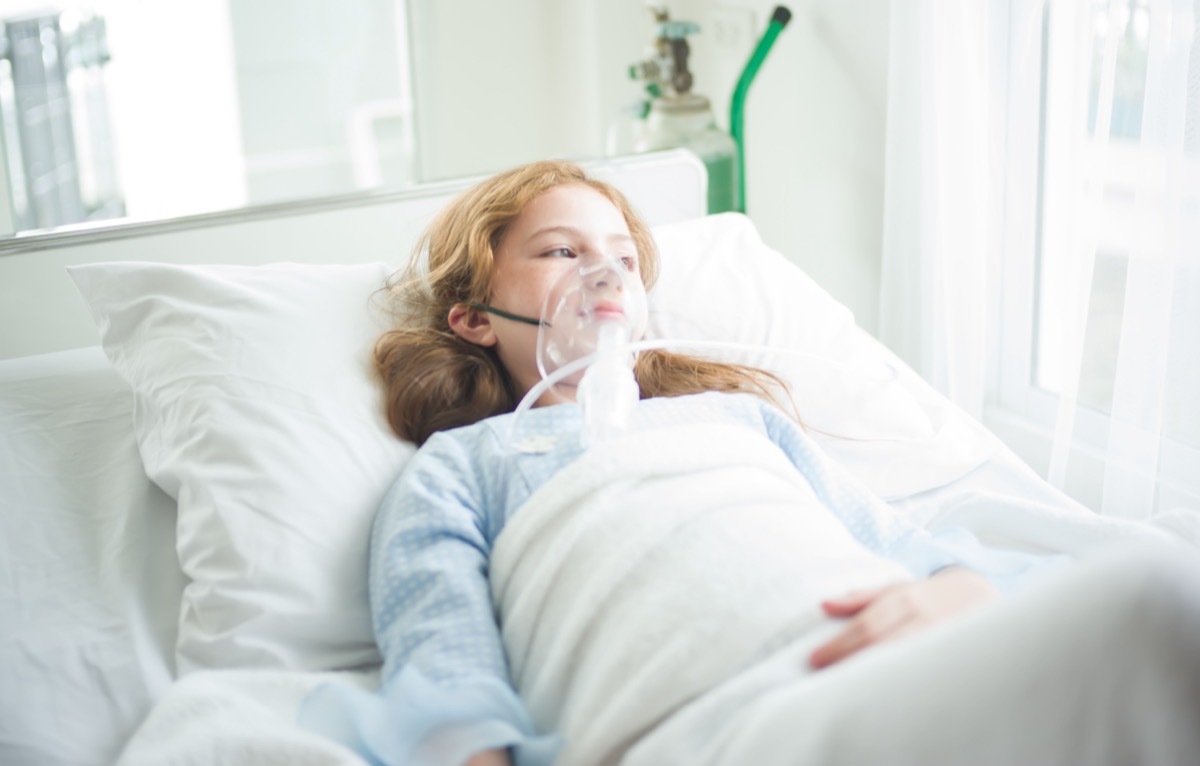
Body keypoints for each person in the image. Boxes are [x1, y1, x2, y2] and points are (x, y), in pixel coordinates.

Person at [299, 160, 1200, 766]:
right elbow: (443, 667)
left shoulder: (736, 420)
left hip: (887, 677)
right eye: (562, 253)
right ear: (473, 319)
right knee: (1166, 603)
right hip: (713, 726)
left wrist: (964, 593)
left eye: (622, 259)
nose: (603, 278)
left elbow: (902, 547)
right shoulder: (464, 465)